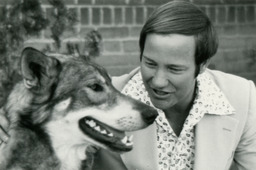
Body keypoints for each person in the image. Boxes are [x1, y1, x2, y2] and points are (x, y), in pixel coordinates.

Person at [1, 1, 256, 170]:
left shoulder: (242, 97)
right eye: (150, 63)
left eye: (174, 69)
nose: (157, 81)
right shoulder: (106, 95)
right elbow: (41, 129)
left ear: (202, 66)